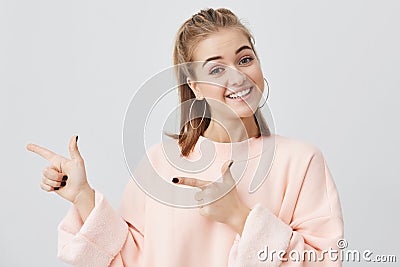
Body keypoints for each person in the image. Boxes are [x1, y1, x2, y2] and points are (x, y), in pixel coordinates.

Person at [26, 8, 344, 267]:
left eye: (245, 59)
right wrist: (83, 195)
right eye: (216, 69)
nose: (238, 76)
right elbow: (131, 258)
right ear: (194, 85)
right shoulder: (158, 163)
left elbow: (325, 262)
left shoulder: (300, 161)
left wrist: (239, 216)